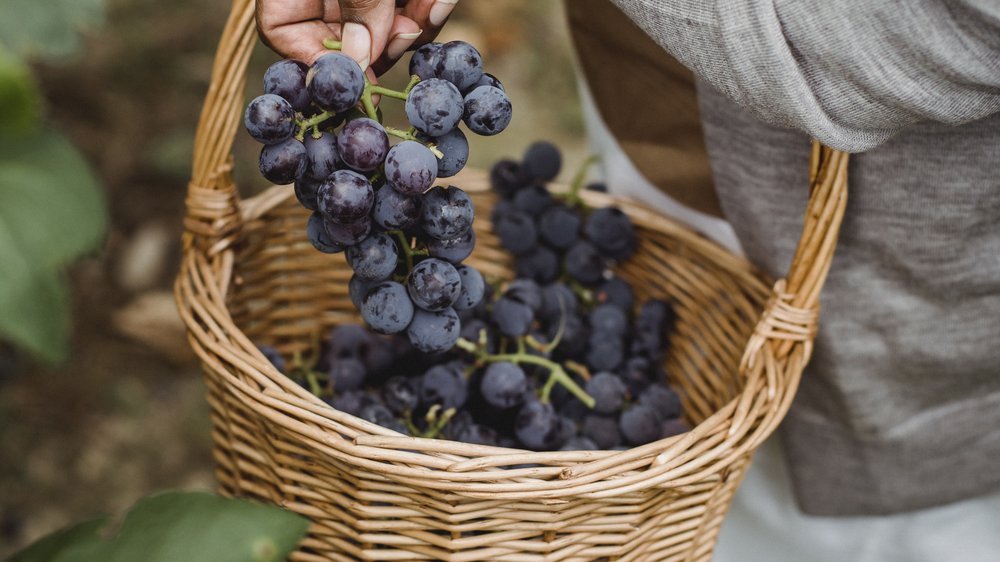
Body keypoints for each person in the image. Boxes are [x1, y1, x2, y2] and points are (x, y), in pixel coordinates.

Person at [255, 1, 1000, 560]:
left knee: (907, 517)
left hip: (915, 255)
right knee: (707, 440)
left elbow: (939, 32)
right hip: (677, 102)